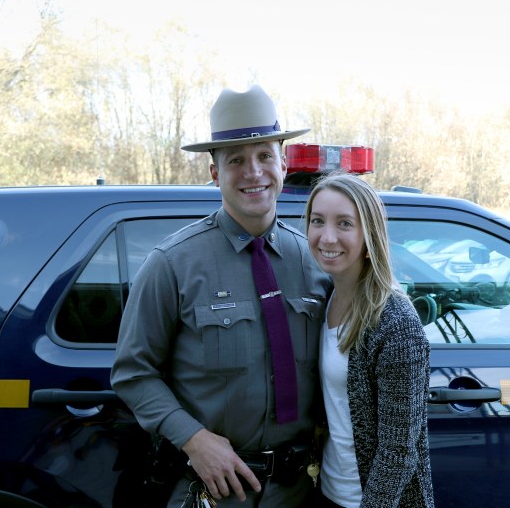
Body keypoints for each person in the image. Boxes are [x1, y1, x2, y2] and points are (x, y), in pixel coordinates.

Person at [110, 84, 330, 507]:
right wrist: (193, 440)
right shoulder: (172, 264)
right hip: (212, 490)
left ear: (283, 163)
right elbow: (133, 373)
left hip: (298, 491)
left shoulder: (316, 262)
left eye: (265, 155)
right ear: (214, 173)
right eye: (236, 161)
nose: (254, 172)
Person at [304, 172, 434, 508]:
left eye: (344, 224)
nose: (327, 237)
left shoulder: (396, 325)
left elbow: (399, 453)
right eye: (318, 221)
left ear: (369, 235)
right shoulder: (323, 298)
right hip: (327, 493)